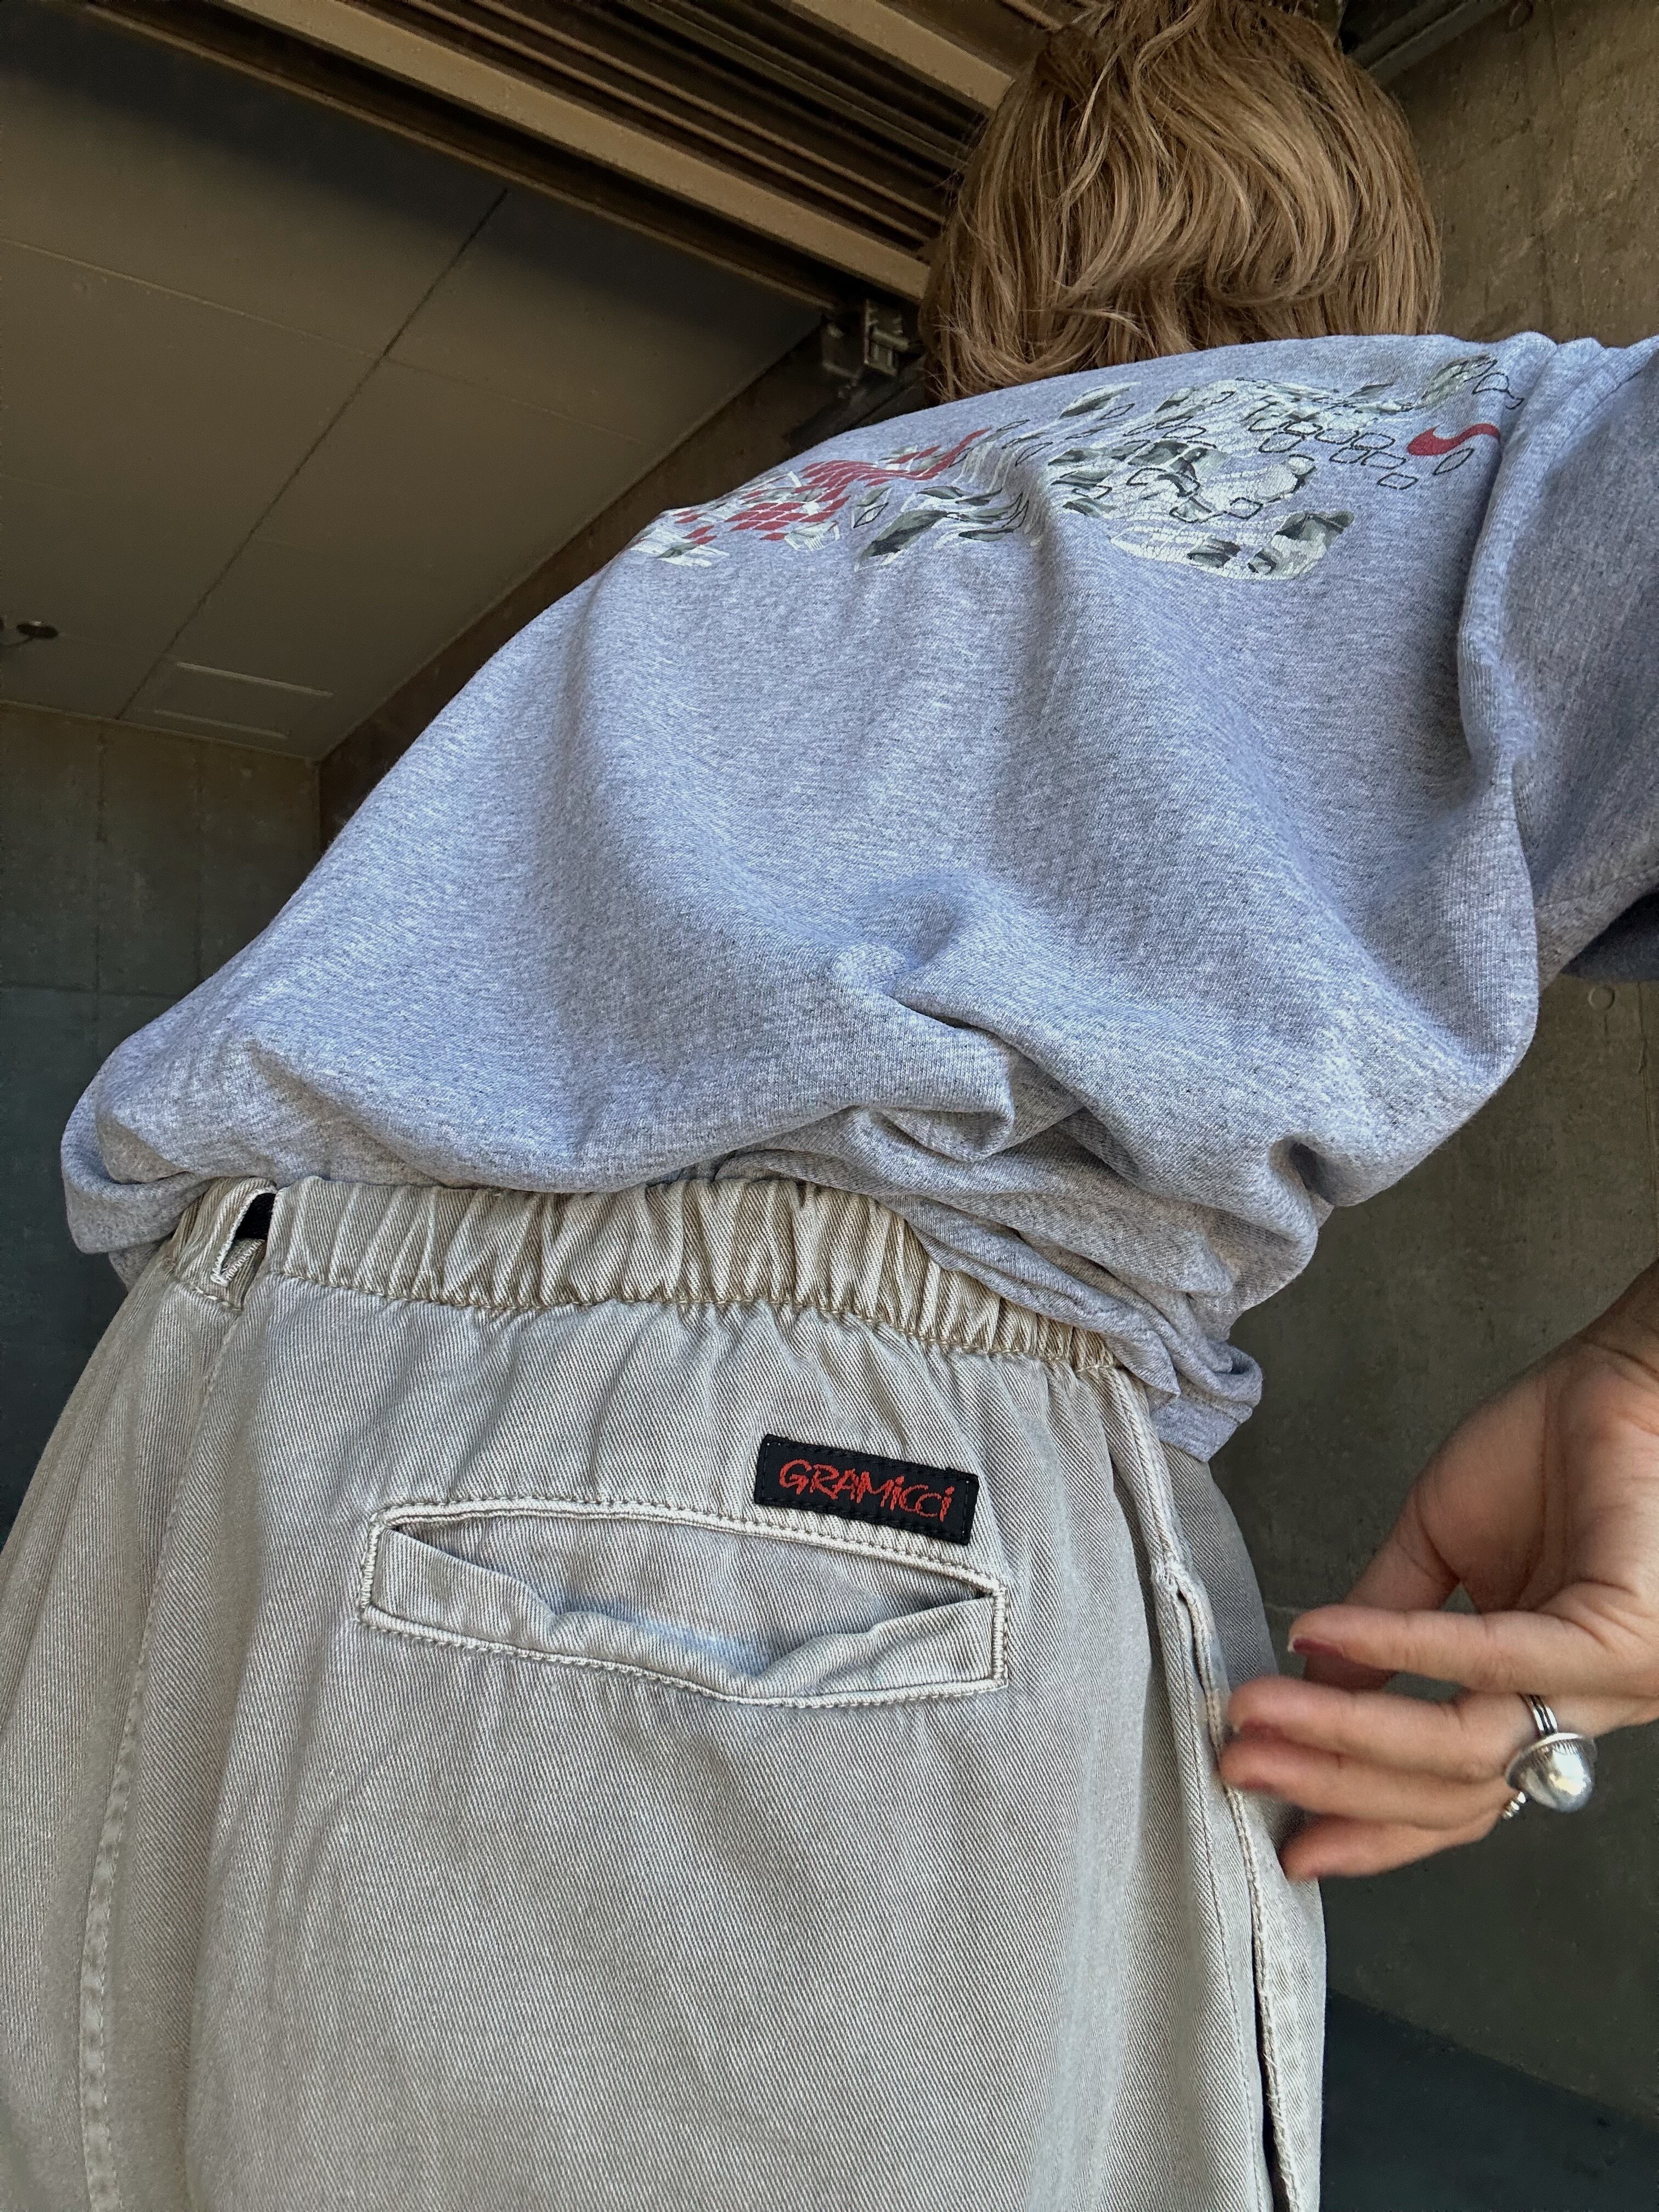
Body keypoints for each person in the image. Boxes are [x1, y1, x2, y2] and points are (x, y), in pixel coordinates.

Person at [3, 0, 1656, 2205]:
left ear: (989, 273)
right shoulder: (1465, 452)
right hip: (807, 1498)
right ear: (1373, 250)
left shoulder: (701, 551)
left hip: (190, 1432)